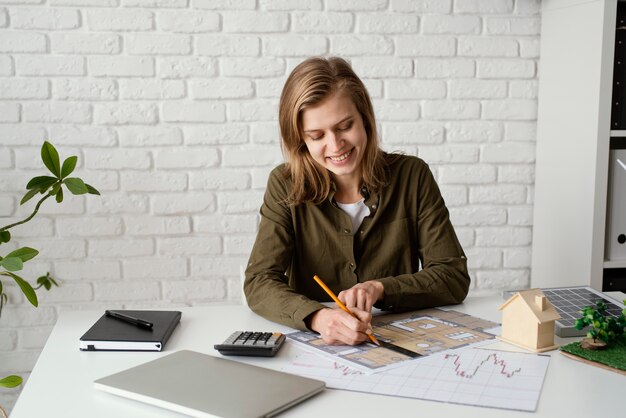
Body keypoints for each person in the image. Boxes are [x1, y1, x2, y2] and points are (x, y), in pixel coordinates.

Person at [244, 56, 470, 346]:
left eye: (344, 126)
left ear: (365, 117)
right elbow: (259, 282)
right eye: (317, 136)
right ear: (301, 140)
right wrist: (318, 317)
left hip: (398, 343)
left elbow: (453, 277)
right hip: (316, 347)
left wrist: (380, 289)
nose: (336, 146)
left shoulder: (413, 176)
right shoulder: (285, 184)